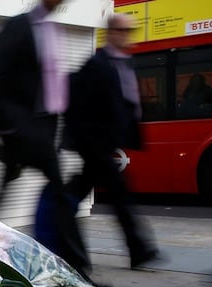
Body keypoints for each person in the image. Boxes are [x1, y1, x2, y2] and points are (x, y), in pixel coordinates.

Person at [0, 0, 92, 279]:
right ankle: (78, 269)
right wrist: (17, 123)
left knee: (3, 192)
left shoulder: (52, 29)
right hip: (26, 129)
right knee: (61, 196)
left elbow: (50, 82)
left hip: (42, 127)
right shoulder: (20, 26)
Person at [64, 13, 158, 270]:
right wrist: (90, 141)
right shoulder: (97, 63)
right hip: (95, 143)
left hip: (105, 142)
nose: (128, 36)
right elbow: (80, 107)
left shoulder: (122, 62)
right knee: (120, 195)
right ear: (112, 33)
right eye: (124, 31)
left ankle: (58, 223)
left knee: (92, 192)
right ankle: (139, 250)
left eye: (130, 31)